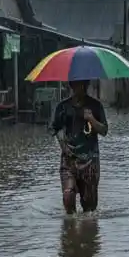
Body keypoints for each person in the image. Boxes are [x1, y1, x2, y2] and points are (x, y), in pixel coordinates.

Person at [50, 79, 108, 214]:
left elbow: (104, 130)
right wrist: (63, 144)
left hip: (90, 160)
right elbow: (54, 128)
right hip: (69, 159)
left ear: (87, 85)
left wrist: (92, 119)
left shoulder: (95, 106)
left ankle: (87, 232)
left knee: (90, 207)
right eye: (77, 84)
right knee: (68, 195)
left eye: (83, 85)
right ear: (71, 85)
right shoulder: (63, 107)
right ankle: (70, 229)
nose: (80, 88)